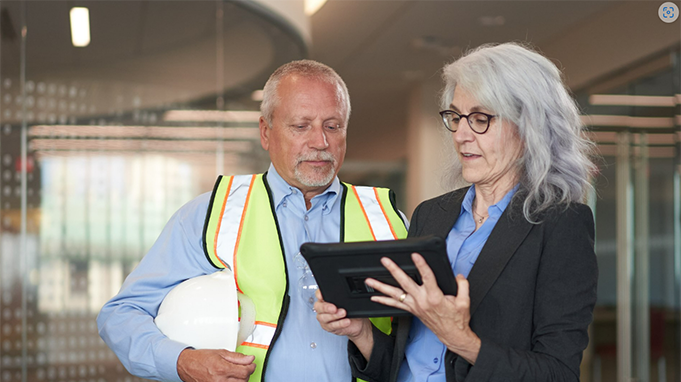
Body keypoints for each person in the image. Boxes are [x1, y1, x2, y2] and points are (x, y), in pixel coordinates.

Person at [97, 59, 408, 382]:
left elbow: (423, 343)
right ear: (265, 132)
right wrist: (182, 362)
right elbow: (121, 315)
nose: (320, 142)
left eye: (333, 126)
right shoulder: (210, 215)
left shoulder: (387, 219)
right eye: (301, 126)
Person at [316, 42, 599, 381]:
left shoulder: (560, 224)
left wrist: (462, 341)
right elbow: (406, 360)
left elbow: (558, 373)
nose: (461, 135)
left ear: (528, 129)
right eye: (455, 117)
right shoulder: (431, 215)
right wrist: (359, 331)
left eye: (480, 119)